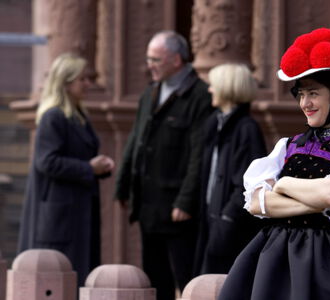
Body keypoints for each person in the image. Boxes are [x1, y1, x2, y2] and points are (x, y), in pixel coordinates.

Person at [218, 28, 330, 300]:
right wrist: (322, 204)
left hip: (329, 263)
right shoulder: (287, 146)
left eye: (313, 94)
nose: (305, 103)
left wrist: (283, 185)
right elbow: (255, 203)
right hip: (272, 259)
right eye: (300, 94)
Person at [114, 30, 212, 300]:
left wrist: (185, 201)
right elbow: (136, 139)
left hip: (177, 208)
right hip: (148, 203)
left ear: (177, 60)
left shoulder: (200, 95)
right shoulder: (150, 92)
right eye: (148, 59)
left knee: (186, 275)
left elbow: (198, 154)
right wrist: (123, 186)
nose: (150, 65)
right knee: (155, 276)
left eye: (155, 59)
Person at [18, 53, 115, 286]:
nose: (87, 84)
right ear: (66, 82)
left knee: (80, 272)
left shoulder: (79, 115)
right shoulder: (53, 117)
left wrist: (100, 167)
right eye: (82, 79)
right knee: (60, 277)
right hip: (60, 215)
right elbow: (46, 162)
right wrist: (88, 168)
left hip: (79, 209)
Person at [194, 63, 267, 275]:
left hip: (231, 228)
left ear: (228, 87)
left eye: (213, 85)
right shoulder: (215, 124)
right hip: (210, 219)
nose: (209, 90)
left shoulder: (246, 129)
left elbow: (248, 182)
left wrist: (227, 220)